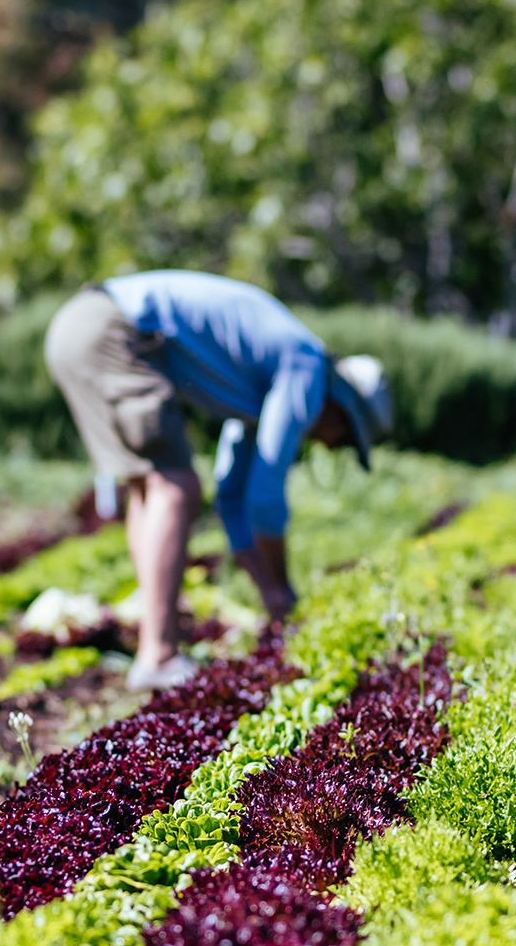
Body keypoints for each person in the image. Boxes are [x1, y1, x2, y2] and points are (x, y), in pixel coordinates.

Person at [44, 270, 394, 690]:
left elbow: (232, 499)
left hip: (80, 327)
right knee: (175, 487)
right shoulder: (307, 366)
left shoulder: (267, 384)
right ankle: (158, 655)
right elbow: (265, 497)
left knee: (148, 485)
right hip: (113, 330)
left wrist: (268, 591)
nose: (334, 446)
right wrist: (283, 589)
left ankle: (154, 646)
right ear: (343, 409)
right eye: (346, 438)